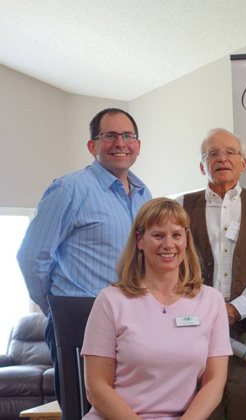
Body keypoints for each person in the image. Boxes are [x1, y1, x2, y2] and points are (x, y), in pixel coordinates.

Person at [16, 108, 152, 399]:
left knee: (130, 407)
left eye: (128, 136)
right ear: (92, 146)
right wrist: (55, 307)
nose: (120, 143)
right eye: (110, 135)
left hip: (133, 319)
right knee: (83, 407)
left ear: (138, 146)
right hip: (80, 317)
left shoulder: (144, 195)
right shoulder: (69, 189)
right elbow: (32, 256)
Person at [82, 198, 232, 419]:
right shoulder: (110, 301)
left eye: (176, 235)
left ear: (186, 239)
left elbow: (214, 383)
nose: (169, 244)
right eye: (158, 235)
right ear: (140, 240)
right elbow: (96, 388)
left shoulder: (212, 301)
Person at [177, 128, 246, 420]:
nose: (221, 158)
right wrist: (204, 309)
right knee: (197, 405)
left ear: (244, 162)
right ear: (202, 165)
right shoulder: (179, 206)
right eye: (212, 153)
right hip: (192, 329)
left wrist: (234, 310)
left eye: (230, 152)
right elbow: (171, 268)